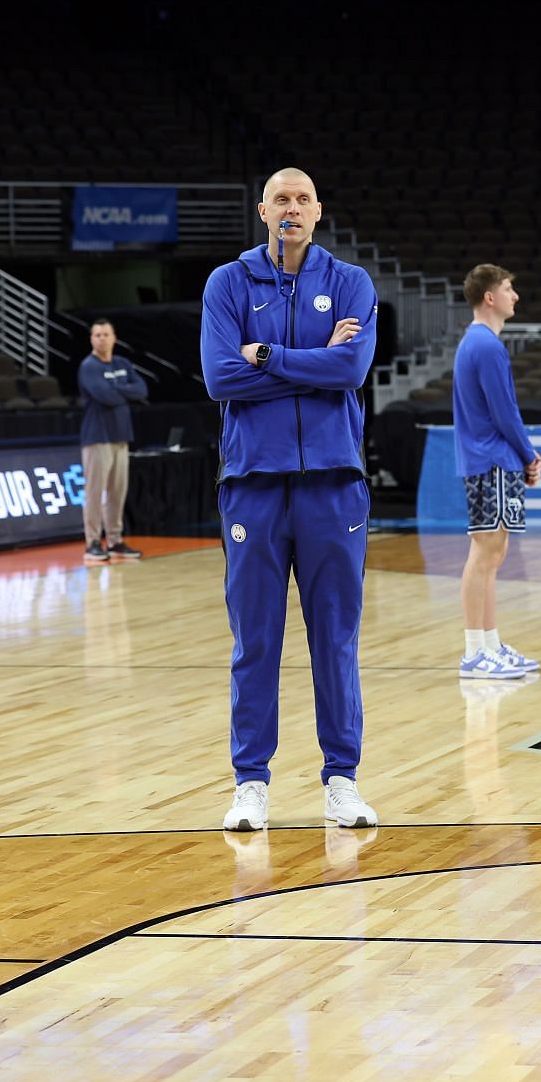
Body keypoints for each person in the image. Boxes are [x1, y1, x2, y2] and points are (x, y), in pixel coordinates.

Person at [202, 166, 380, 833]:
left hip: (335, 484)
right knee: (256, 642)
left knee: (336, 640)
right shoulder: (228, 283)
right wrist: (309, 363)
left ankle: (342, 779)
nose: (292, 209)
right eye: (282, 198)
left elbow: (351, 370)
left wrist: (266, 355)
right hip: (252, 486)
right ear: (263, 211)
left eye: (303, 198)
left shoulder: (350, 282)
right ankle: (251, 783)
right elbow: (221, 378)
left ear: (318, 211)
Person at [451, 264, 541, 680]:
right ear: (490, 297)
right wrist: (528, 455)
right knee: (484, 551)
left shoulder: (479, 343)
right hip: (490, 458)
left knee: (493, 553)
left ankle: (489, 643)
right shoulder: (485, 346)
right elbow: (505, 411)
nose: (514, 296)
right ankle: (474, 650)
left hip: (491, 459)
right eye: (508, 288)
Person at [77, 319, 149, 565]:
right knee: (96, 492)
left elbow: (141, 390)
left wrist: (117, 388)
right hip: (97, 436)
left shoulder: (122, 363)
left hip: (121, 435)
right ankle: (93, 542)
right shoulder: (89, 366)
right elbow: (104, 396)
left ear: (114, 337)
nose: (102, 339)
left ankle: (115, 540)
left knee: (118, 491)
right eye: (97, 335)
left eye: (106, 334)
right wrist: (122, 389)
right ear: (91, 339)